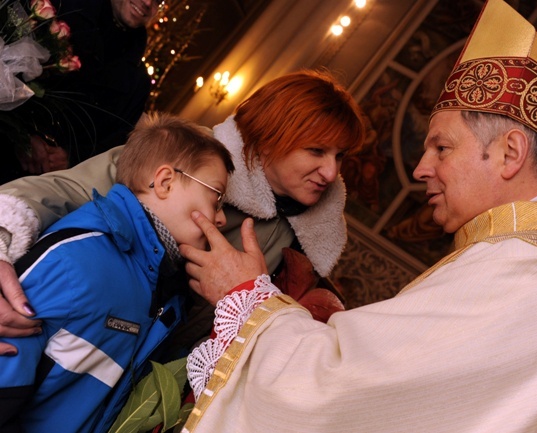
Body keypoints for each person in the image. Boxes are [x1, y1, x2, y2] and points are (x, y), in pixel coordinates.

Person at [175, 1, 537, 432]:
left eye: (442, 148)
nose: (420, 169)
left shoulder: (526, 272)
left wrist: (243, 295)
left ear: (510, 153)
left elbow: (339, 387)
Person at [0, 69, 365, 357]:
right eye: (316, 150)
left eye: (340, 156)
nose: (331, 173)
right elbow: (65, 190)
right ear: (272, 135)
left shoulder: (307, 248)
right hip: (55, 324)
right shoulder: (191, 154)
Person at [0, 112, 235, 433]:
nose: (221, 220)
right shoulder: (80, 256)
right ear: (165, 181)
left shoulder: (168, 291)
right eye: (217, 197)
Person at [2, 0, 157, 182]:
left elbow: (112, 144)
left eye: (158, 1)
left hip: (49, 182)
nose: (147, 2)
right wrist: (24, 136)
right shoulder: (63, 6)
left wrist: (69, 157)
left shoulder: (137, 83)